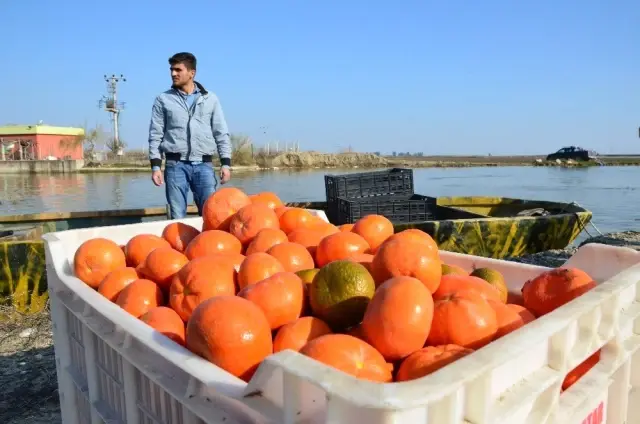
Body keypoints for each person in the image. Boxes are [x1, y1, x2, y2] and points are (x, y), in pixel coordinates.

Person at [147, 52, 232, 219]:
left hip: (204, 166)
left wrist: (226, 164)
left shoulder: (210, 99)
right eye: (171, 70)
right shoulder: (163, 99)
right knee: (176, 216)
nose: (173, 74)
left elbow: (221, 132)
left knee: (210, 215)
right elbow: (155, 134)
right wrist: (156, 166)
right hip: (175, 166)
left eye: (178, 70)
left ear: (192, 73)